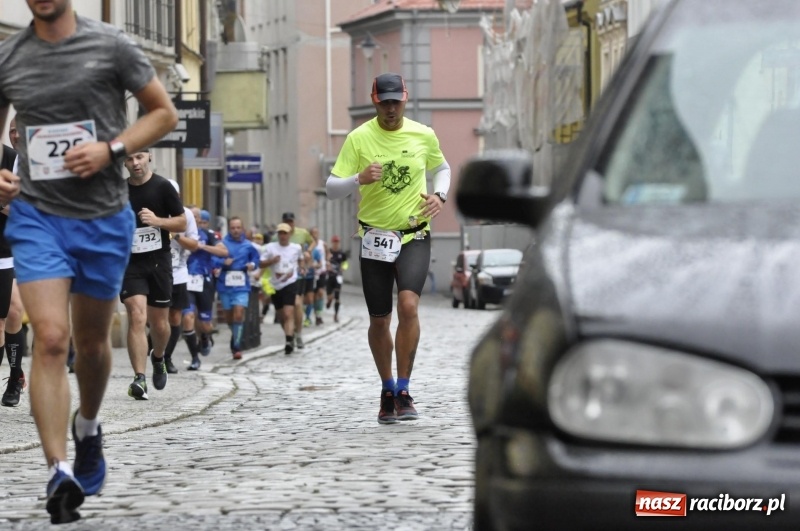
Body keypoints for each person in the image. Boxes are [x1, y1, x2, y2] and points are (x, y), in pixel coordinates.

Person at [0, 0, 178, 523]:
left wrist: (112, 149)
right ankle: (59, 471)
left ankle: (88, 426)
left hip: (102, 218)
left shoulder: (110, 45)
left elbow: (163, 112)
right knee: (52, 338)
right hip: (37, 218)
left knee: (93, 345)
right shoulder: (9, 56)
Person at [325, 72, 451, 425]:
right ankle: (387, 389)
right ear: (374, 101)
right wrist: (358, 179)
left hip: (414, 234)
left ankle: (404, 390)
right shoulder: (359, 138)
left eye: (397, 102)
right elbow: (332, 188)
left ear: (405, 99)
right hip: (375, 239)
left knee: (408, 306)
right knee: (379, 320)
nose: (391, 109)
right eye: (385, 103)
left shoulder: (423, 134)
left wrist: (440, 195)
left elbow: (442, 167)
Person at [121, 150, 186, 399]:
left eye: (139, 157)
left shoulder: (163, 187)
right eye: (129, 159)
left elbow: (182, 222)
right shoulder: (119, 191)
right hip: (130, 263)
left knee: (159, 324)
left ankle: (158, 357)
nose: (135, 163)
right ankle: (139, 378)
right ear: (124, 162)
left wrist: (158, 221)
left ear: (149, 157)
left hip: (159, 262)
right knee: (136, 316)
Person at [161, 182, 200, 372]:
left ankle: (166, 358)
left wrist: (175, 235)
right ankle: (156, 351)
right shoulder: (153, 212)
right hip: (156, 271)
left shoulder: (187, 214)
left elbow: (194, 245)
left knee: (175, 317)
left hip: (178, 272)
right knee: (153, 318)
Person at [0, 142, 27, 407]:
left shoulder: (13, 159)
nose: (15, 135)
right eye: (12, 131)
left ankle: (15, 376)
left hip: (14, 247)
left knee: (13, 311)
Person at [214, 217, 260, 360]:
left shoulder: (248, 245)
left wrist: (252, 265)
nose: (235, 230)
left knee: (239, 314)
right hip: (225, 284)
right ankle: (235, 335)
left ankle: (236, 346)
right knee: (229, 317)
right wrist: (223, 262)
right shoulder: (222, 244)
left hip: (241, 285)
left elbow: (256, 259)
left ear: (242, 228)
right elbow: (214, 259)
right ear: (229, 229)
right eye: (233, 228)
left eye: (238, 227)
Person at [187, 207, 228, 357]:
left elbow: (223, 252)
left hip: (204, 279)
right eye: (190, 215)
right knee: (188, 316)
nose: (194, 219)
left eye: (196, 217)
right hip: (185, 279)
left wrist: (203, 246)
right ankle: (194, 355)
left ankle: (205, 336)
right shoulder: (179, 233)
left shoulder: (208, 234)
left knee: (205, 323)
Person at [271, 212, 314, 349]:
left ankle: (298, 333)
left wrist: (308, 252)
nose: (289, 224)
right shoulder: (276, 237)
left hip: (297, 274)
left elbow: (312, 242)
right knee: (283, 312)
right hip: (280, 278)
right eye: (286, 222)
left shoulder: (302, 233)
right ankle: (289, 334)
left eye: (291, 222)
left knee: (297, 303)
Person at [260, 223, 304, 354]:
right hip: (276, 284)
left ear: (290, 234)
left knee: (288, 313)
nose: (283, 236)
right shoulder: (270, 248)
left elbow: (301, 259)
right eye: (280, 233)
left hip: (290, 282)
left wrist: (302, 267)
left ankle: (289, 341)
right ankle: (290, 335)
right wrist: (271, 261)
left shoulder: (296, 248)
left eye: (285, 233)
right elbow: (261, 263)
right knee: (281, 316)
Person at [326, 235, 348, 324]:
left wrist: (343, 268)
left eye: (337, 242)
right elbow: (324, 261)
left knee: (337, 297)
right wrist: (327, 265)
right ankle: (329, 301)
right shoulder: (329, 252)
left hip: (338, 277)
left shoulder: (342, 253)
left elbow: (345, 263)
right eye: (334, 242)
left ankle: (336, 315)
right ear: (332, 243)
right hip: (329, 277)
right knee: (330, 297)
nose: (336, 244)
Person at [310, 227, 328, 325]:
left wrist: (328, 262)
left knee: (320, 293)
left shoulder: (323, 244)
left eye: (316, 232)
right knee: (312, 296)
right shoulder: (308, 245)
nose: (315, 234)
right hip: (311, 273)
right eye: (313, 233)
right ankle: (314, 314)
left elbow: (328, 254)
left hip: (321, 271)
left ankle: (319, 316)